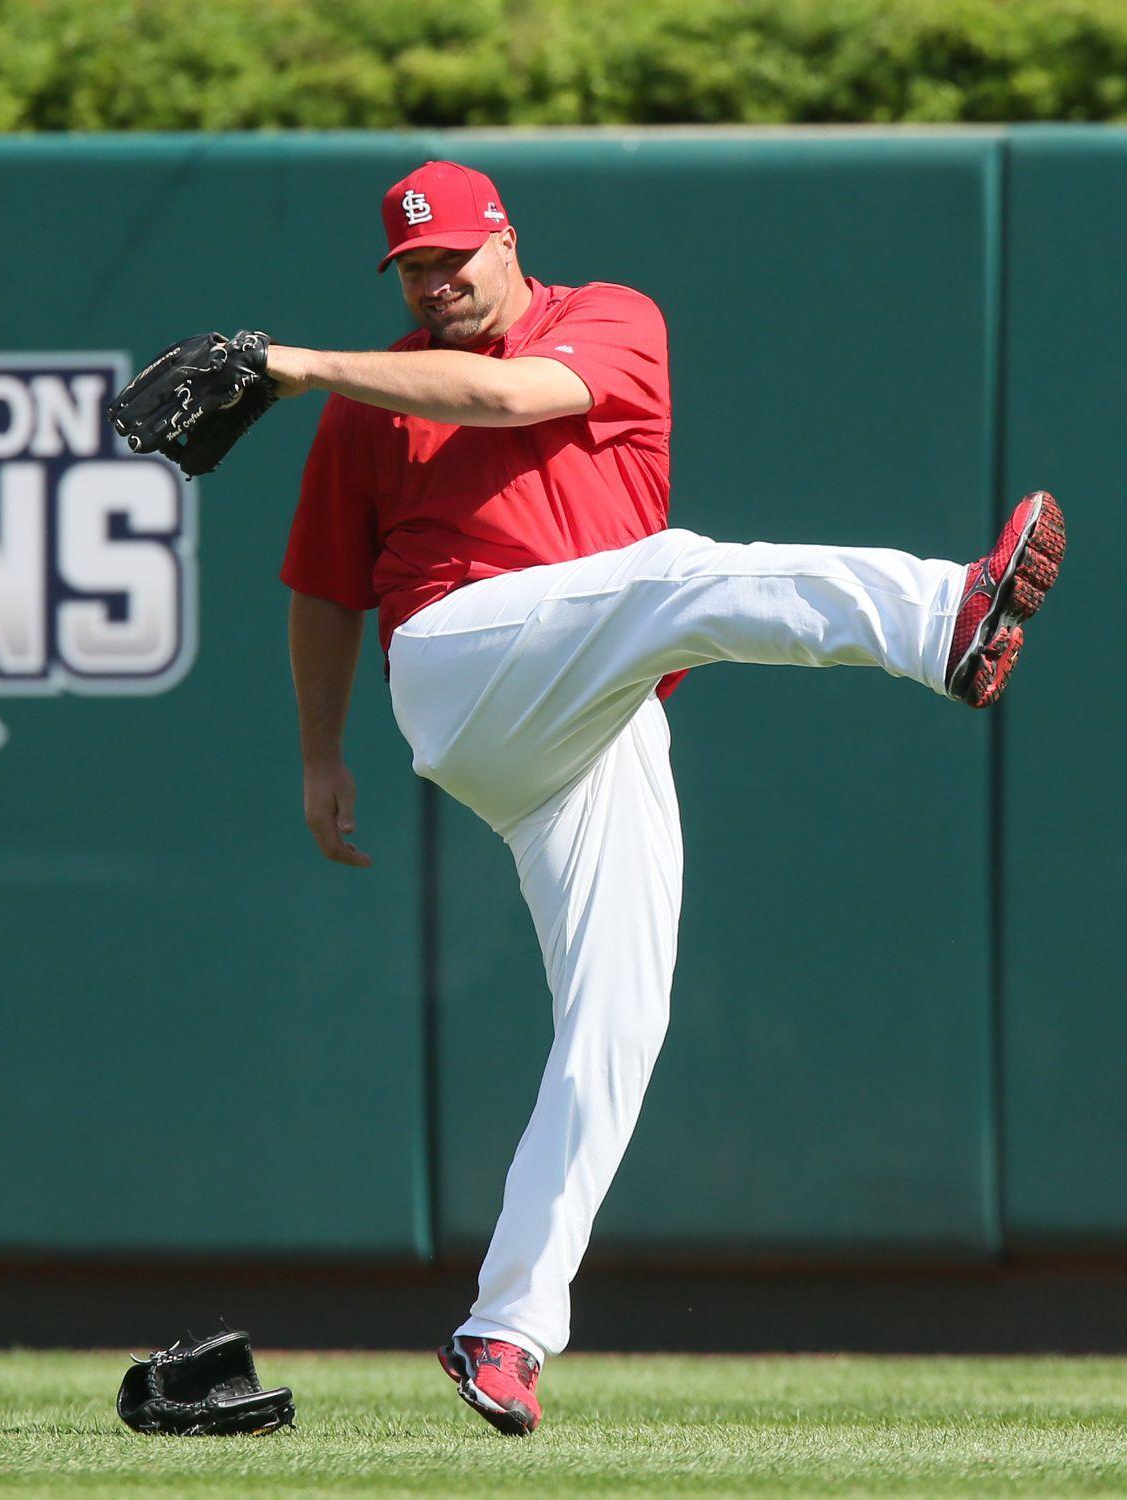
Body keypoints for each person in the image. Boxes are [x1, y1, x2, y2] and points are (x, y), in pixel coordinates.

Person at [267, 160, 1065, 1436]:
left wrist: (301, 364)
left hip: (596, 708)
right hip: (459, 666)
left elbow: (511, 394)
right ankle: (943, 620)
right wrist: (321, 752)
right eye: (412, 268)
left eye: (452, 257)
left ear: (506, 241)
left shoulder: (611, 318)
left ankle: (506, 1329)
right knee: (674, 575)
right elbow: (323, 584)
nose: (434, 281)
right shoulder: (370, 396)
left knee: (620, 1013)